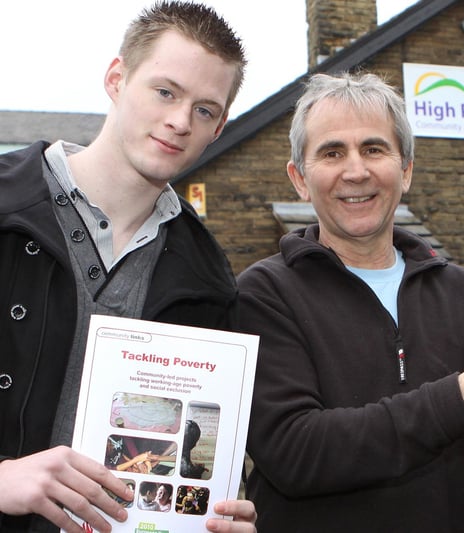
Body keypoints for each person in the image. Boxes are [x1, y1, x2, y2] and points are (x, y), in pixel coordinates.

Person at [237, 71, 464, 532]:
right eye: (332, 152)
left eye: (374, 149)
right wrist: (459, 401)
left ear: (406, 169)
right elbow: (296, 454)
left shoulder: (458, 290)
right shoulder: (264, 293)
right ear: (299, 178)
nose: (356, 171)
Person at [0, 2, 256, 532]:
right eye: (165, 92)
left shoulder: (209, 279)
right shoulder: (5, 211)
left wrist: (211, 513)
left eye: (205, 109)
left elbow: (194, 458)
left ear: (219, 126)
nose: (180, 121)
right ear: (117, 79)